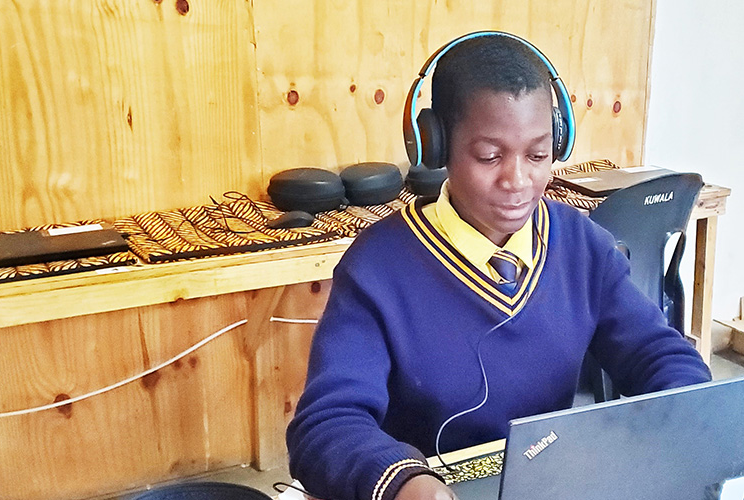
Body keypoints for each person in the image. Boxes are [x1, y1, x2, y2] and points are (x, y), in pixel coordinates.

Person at [286, 33, 711, 500]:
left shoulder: (582, 246)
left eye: (537, 155)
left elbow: (659, 353)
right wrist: (410, 485)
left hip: (545, 482)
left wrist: (686, 423)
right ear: (437, 146)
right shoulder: (377, 268)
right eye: (489, 156)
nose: (518, 181)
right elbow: (327, 424)